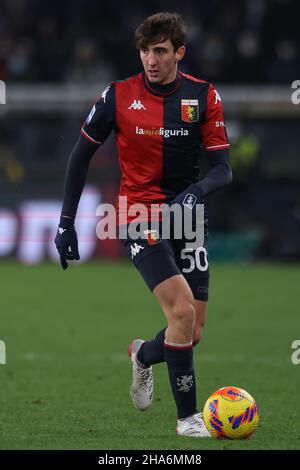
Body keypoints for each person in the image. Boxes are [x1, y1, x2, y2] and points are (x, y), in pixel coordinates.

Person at [55, 12, 232, 438]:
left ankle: (142, 355)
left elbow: (223, 169)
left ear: (178, 53)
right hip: (138, 215)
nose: (150, 60)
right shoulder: (118, 96)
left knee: (192, 331)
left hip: (189, 219)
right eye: (144, 51)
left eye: (160, 51)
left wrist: (197, 192)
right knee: (182, 311)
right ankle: (188, 420)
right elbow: (79, 156)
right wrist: (66, 223)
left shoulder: (203, 96)